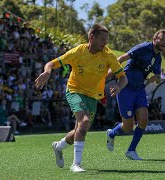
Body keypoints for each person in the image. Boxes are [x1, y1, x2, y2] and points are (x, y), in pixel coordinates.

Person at [35, 24, 128, 172]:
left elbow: (123, 78)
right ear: (92, 37)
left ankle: (58, 146)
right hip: (74, 90)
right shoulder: (79, 51)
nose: (105, 43)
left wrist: (118, 85)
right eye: (102, 39)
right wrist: (47, 72)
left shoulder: (108, 55)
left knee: (80, 129)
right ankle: (76, 164)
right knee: (83, 121)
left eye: (106, 40)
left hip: (92, 96)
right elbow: (52, 63)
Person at [106, 29, 165, 160]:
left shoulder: (158, 58)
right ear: (155, 39)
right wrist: (106, 76)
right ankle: (112, 134)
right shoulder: (143, 47)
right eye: (162, 39)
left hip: (139, 88)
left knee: (144, 119)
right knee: (128, 127)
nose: (164, 42)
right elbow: (122, 58)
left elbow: (157, 77)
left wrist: (156, 78)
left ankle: (131, 151)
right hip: (125, 87)